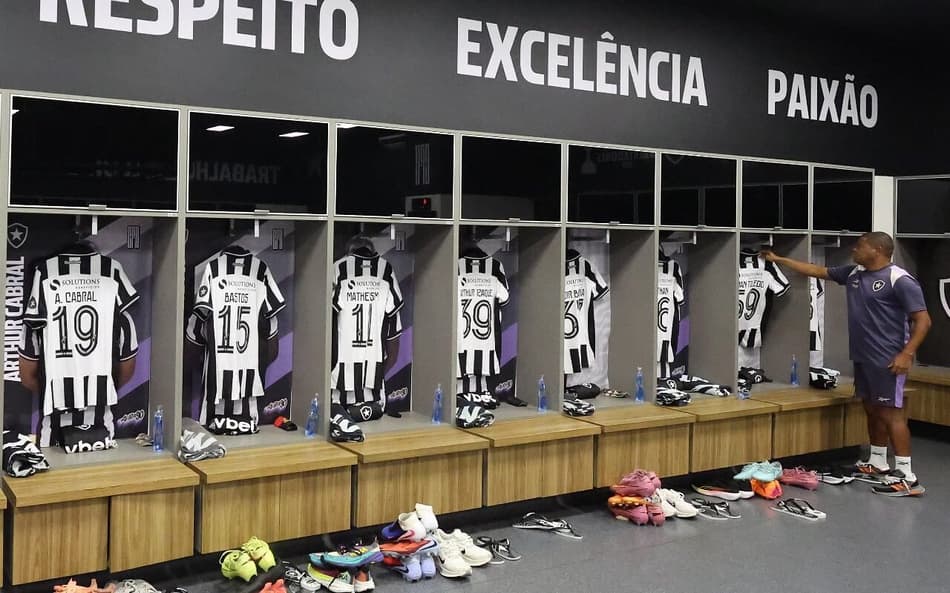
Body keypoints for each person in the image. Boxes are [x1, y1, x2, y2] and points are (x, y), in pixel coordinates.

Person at [763, 231, 931, 497]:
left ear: (877, 249)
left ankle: (907, 476)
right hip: (863, 356)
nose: (854, 249)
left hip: (888, 358)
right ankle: (877, 461)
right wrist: (778, 259)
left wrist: (907, 354)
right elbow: (816, 270)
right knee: (871, 408)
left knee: (891, 412)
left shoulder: (899, 279)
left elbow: (923, 321)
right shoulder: (854, 273)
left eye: (860, 246)